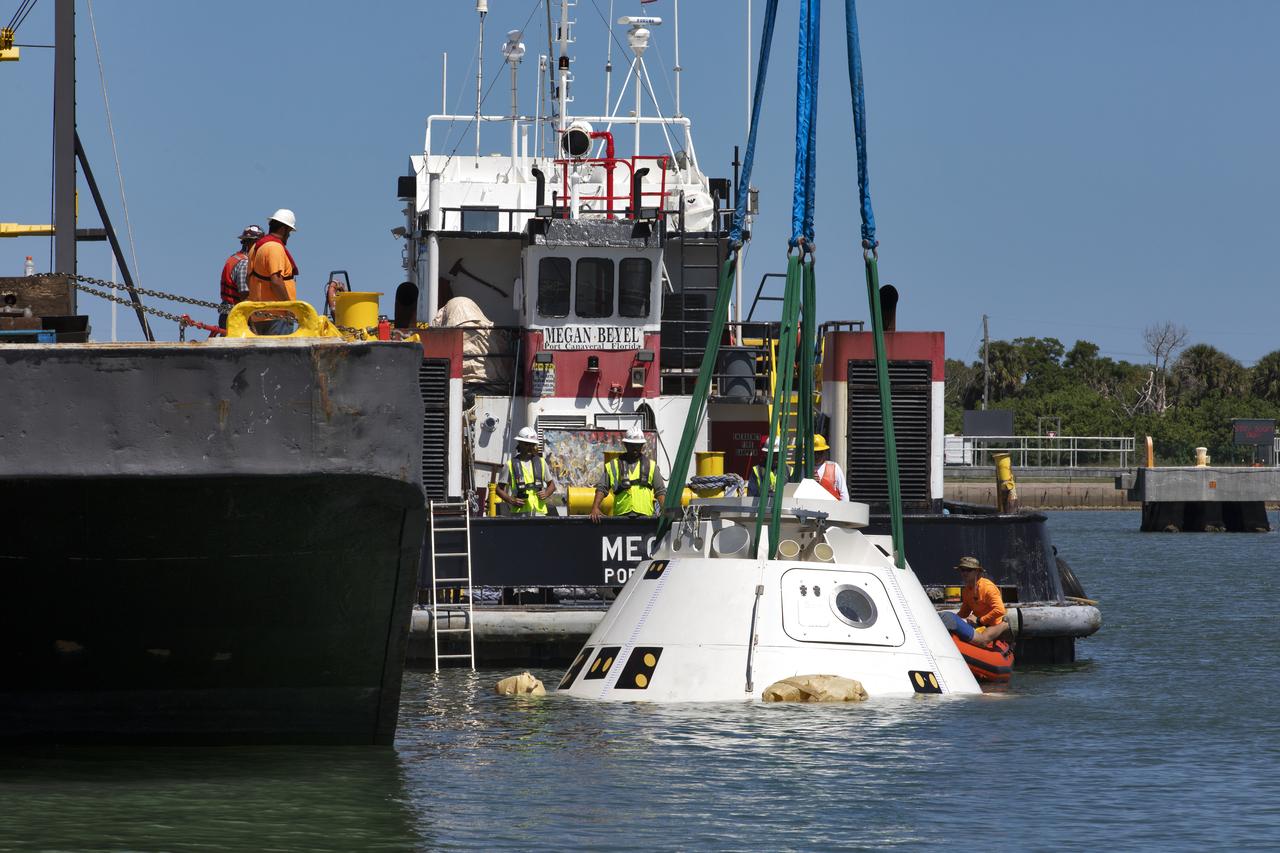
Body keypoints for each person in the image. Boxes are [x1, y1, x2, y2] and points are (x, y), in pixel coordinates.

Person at [590, 426, 666, 522]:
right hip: (621, 518)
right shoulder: (613, 465)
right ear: (625, 444)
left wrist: (664, 511)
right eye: (632, 445)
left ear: (642, 445)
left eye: (638, 445)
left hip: (646, 518)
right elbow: (601, 488)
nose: (635, 448)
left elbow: (660, 491)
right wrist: (595, 508)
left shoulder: (651, 466)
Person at [247, 208, 300, 335]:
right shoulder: (274, 247)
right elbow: (276, 281)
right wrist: (289, 308)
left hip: (259, 315)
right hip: (277, 316)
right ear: (283, 229)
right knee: (281, 355)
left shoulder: (255, 247)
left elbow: (248, 281)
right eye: (289, 231)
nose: (289, 235)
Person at [941, 556, 1010, 647]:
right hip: (980, 624)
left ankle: (1005, 625)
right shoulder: (967, 590)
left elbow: (1000, 610)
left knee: (982, 640)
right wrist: (949, 621)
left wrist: (980, 621)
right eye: (962, 570)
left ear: (977, 572)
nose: (964, 573)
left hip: (994, 624)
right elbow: (964, 612)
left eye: (968, 570)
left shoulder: (987, 587)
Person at [495, 427, 557, 516]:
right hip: (519, 513)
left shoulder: (541, 462)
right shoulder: (509, 465)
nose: (530, 447)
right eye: (527, 444)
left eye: (533, 444)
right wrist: (511, 500)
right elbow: (499, 489)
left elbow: (551, 485)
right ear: (520, 443)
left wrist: (546, 493)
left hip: (539, 512)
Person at [218, 224, 262, 330]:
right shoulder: (245, 262)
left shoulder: (234, 258)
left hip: (227, 314)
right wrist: (252, 323)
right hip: (236, 316)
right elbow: (244, 295)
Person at [812, 434, 849, 500]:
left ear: (825, 452)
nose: (817, 456)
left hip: (831, 508)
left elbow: (844, 494)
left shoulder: (834, 467)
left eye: (820, 452)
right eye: (814, 453)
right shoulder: (803, 470)